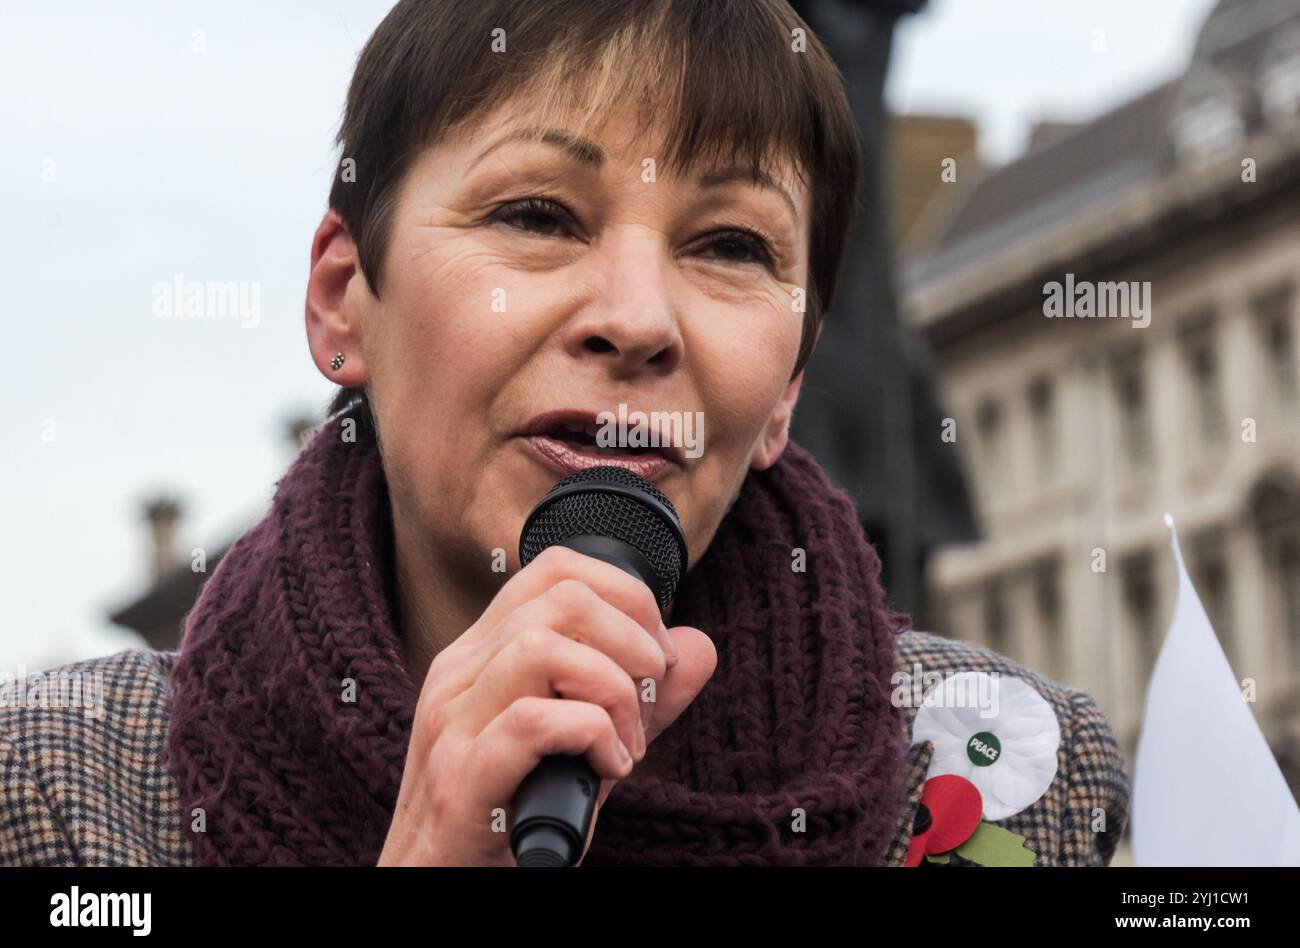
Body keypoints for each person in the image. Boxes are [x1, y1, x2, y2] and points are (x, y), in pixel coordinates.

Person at [0, 0, 1127, 867]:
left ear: (789, 381)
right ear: (345, 300)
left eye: (730, 245)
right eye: (536, 216)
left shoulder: (1017, 775)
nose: (635, 319)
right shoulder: (62, 783)